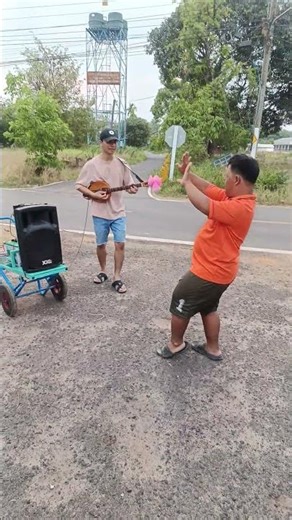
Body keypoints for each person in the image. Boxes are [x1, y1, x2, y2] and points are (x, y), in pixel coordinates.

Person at [157, 152, 260, 361]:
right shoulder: (234, 198)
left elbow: (205, 204)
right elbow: (207, 189)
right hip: (221, 271)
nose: (224, 180)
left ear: (237, 180)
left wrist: (186, 183)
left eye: (226, 176)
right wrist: (189, 174)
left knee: (180, 299)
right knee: (208, 307)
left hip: (210, 272)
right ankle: (213, 348)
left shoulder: (239, 207)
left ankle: (176, 344)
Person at [75, 128, 138, 294]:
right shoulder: (92, 164)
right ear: (101, 143)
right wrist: (93, 193)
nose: (113, 145)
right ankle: (103, 270)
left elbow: (129, 184)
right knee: (101, 244)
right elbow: (79, 185)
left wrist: (132, 189)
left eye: (115, 141)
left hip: (118, 212)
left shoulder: (122, 164)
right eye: (109, 141)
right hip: (100, 213)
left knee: (120, 244)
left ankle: (117, 277)